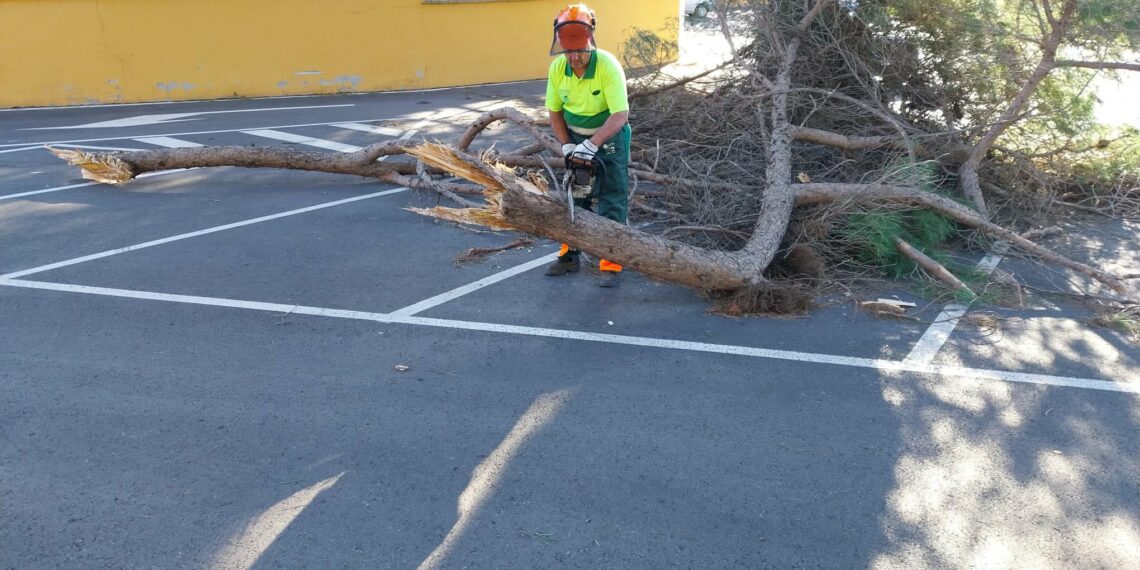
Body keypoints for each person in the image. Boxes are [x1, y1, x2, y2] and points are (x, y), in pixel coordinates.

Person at [544, 3, 631, 288]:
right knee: (576, 195)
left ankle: (611, 260)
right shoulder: (558, 68)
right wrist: (567, 145)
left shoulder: (607, 66)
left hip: (609, 139)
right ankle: (570, 255)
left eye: (579, 51)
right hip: (576, 137)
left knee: (611, 196)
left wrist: (593, 145)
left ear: (589, 42)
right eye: (569, 52)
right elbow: (554, 112)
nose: (574, 58)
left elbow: (620, 114)